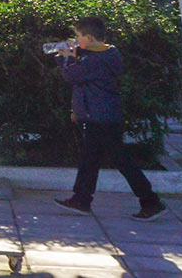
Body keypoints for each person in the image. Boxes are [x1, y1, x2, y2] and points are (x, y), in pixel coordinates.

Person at [52, 16, 165, 220]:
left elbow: (72, 76)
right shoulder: (105, 53)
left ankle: (151, 201)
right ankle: (81, 199)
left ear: (89, 37)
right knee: (89, 159)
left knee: (121, 160)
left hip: (101, 117)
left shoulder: (98, 59)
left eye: (78, 37)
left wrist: (65, 57)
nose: (76, 41)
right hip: (96, 115)